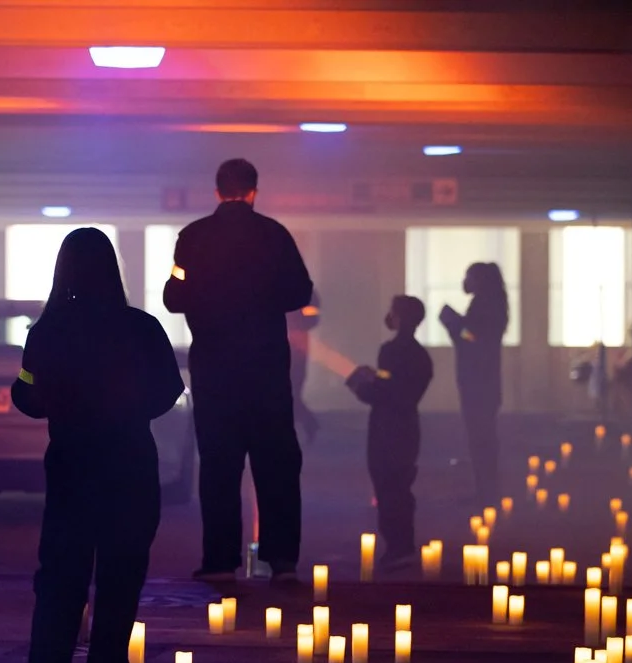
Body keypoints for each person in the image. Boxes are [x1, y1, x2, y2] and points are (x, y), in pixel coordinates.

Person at [9, 228, 186, 663]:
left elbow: (28, 392)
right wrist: (128, 412)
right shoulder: (143, 327)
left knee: (61, 575)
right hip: (130, 463)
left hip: (71, 463)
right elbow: (170, 388)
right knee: (120, 576)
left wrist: (55, 400)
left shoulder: (46, 332)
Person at [163, 158, 314, 582]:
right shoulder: (274, 236)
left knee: (218, 466)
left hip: (214, 372)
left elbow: (174, 295)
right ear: (253, 191)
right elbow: (300, 290)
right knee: (277, 464)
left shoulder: (192, 238)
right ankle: (282, 561)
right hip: (266, 371)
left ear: (217, 191)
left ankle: (220, 562)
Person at [347, 295, 433, 569]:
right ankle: (403, 544)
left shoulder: (391, 350)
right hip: (408, 427)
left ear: (399, 317)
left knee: (387, 486)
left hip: (386, 427)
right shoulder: (421, 355)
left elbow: (386, 391)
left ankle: (397, 547)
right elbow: (397, 384)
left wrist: (359, 385)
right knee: (401, 485)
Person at [439, 261, 509, 504]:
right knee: (482, 437)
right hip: (483, 380)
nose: (465, 282)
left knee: (481, 437)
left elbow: (472, 337)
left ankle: (486, 491)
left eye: (469, 277)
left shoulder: (485, 305)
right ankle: (486, 489)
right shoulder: (493, 304)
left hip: (479, 381)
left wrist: (453, 322)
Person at [287, 288, 323, 445]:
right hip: (282, 346)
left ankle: (309, 424)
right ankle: (308, 424)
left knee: (291, 392)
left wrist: (297, 322)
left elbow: (312, 317)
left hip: (296, 347)